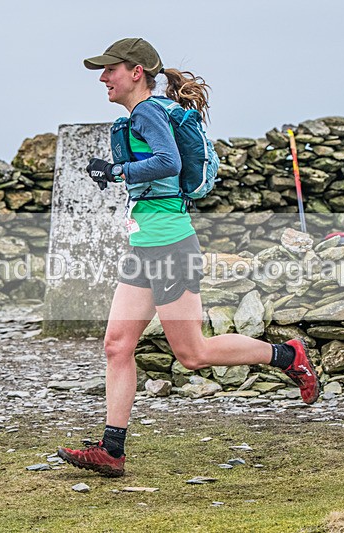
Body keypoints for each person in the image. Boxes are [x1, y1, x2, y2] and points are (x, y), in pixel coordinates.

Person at [57, 38, 320, 478]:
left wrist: (118, 170)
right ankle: (111, 450)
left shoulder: (148, 111)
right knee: (117, 345)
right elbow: (156, 172)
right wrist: (120, 176)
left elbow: (169, 162)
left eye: (111, 69)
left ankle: (286, 355)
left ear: (136, 72)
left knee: (193, 353)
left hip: (170, 246)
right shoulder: (140, 116)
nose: (103, 78)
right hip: (144, 246)